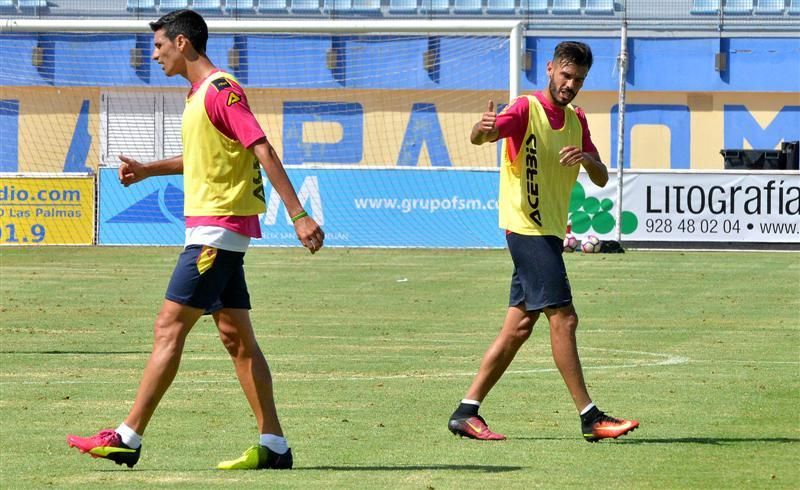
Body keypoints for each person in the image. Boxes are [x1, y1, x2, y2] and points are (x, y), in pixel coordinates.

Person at [67, 10, 325, 470]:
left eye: (159, 46)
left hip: (216, 231)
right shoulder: (197, 97)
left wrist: (299, 213)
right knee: (236, 339)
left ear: (183, 43)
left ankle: (127, 436)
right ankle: (275, 445)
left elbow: (260, 146)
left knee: (169, 327)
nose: (155, 55)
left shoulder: (221, 90)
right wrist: (148, 170)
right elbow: (200, 157)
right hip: (219, 232)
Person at [447, 41, 638, 442]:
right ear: (550, 69)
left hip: (548, 233)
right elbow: (485, 136)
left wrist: (586, 159)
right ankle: (591, 418)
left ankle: (467, 411)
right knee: (564, 318)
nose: (571, 84)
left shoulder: (576, 119)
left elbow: (602, 176)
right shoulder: (524, 108)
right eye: (566, 75)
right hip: (525, 229)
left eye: (580, 80)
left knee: (518, 328)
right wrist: (481, 130)